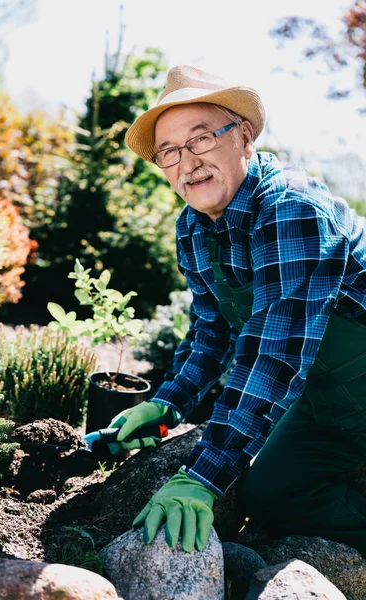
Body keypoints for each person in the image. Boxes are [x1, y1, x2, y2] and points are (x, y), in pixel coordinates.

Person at [85, 64, 366, 556]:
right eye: (168, 152)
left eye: (200, 139)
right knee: (273, 493)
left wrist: (202, 478)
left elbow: (273, 357)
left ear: (245, 137)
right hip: (328, 404)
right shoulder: (193, 230)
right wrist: (166, 404)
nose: (186, 162)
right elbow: (211, 331)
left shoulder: (293, 208)